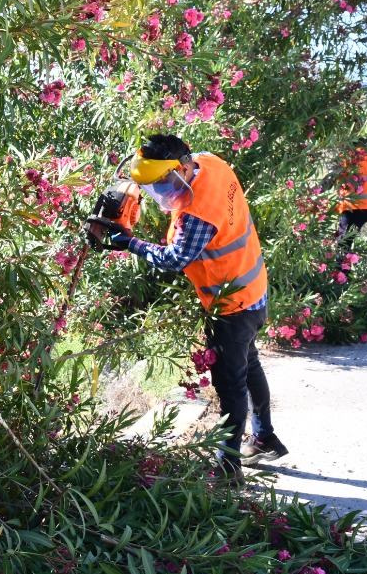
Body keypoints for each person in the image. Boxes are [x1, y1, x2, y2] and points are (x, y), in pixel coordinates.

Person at [93, 134, 285, 481]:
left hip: (231, 304)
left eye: (164, 182)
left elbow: (175, 259)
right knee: (249, 364)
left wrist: (129, 243)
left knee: (230, 385)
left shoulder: (198, 214)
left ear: (182, 169)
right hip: (253, 285)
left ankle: (228, 468)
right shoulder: (211, 162)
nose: (161, 192)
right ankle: (264, 436)